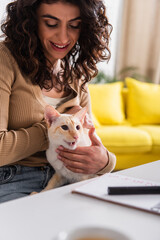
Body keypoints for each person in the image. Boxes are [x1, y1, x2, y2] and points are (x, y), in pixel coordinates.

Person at [0, 0, 116, 203]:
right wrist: (57, 126)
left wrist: (105, 160)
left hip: (69, 179)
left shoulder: (76, 75)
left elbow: (87, 139)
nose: (63, 37)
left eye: (74, 25)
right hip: (13, 179)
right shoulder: (4, 61)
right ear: (30, 22)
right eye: (51, 24)